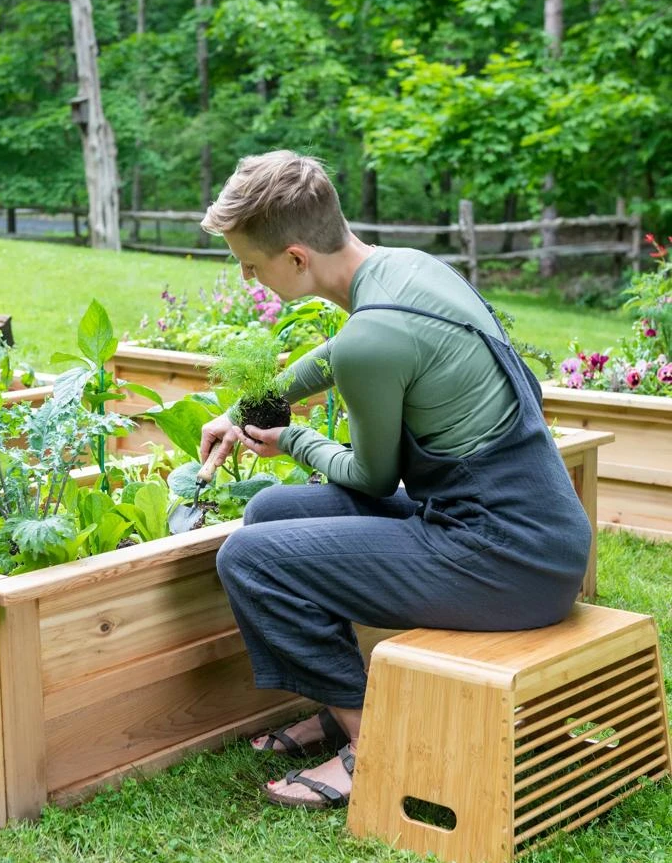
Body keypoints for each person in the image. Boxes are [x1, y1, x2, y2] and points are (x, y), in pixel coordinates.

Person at [198, 150, 592, 810]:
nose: (247, 277)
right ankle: (341, 704)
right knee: (269, 514)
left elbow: (373, 479)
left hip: (508, 560)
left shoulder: (372, 336)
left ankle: (369, 743)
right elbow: (338, 354)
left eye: (251, 265)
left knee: (249, 557)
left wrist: (292, 439)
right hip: (531, 533)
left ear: (295, 258)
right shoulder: (406, 268)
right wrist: (249, 408)